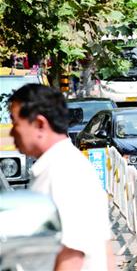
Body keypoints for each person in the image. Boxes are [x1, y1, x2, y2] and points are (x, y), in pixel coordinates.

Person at [8, 84, 114, 271]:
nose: (12, 132)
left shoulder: (64, 171)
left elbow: (72, 254)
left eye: (15, 123)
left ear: (40, 124)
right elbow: (106, 249)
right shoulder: (59, 165)